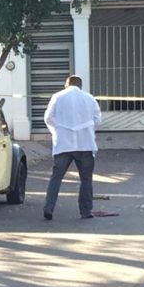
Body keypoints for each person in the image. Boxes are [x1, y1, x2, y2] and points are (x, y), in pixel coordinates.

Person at [42, 75, 102, 220]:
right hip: (85, 144)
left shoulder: (57, 97)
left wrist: (59, 130)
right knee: (86, 179)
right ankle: (85, 211)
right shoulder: (89, 98)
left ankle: (49, 209)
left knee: (56, 178)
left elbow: (48, 118)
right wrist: (86, 129)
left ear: (66, 85)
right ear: (81, 86)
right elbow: (97, 120)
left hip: (63, 144)